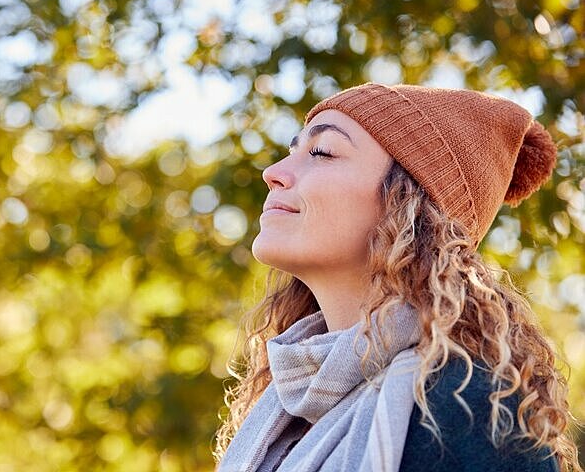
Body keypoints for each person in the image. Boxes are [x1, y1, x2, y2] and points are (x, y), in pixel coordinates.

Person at [212, 82, 583, 472]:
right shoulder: (287, 414)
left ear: (406, 205)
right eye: (292, 151)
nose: (273, 172)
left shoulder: (465, 411)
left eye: (321, 152)